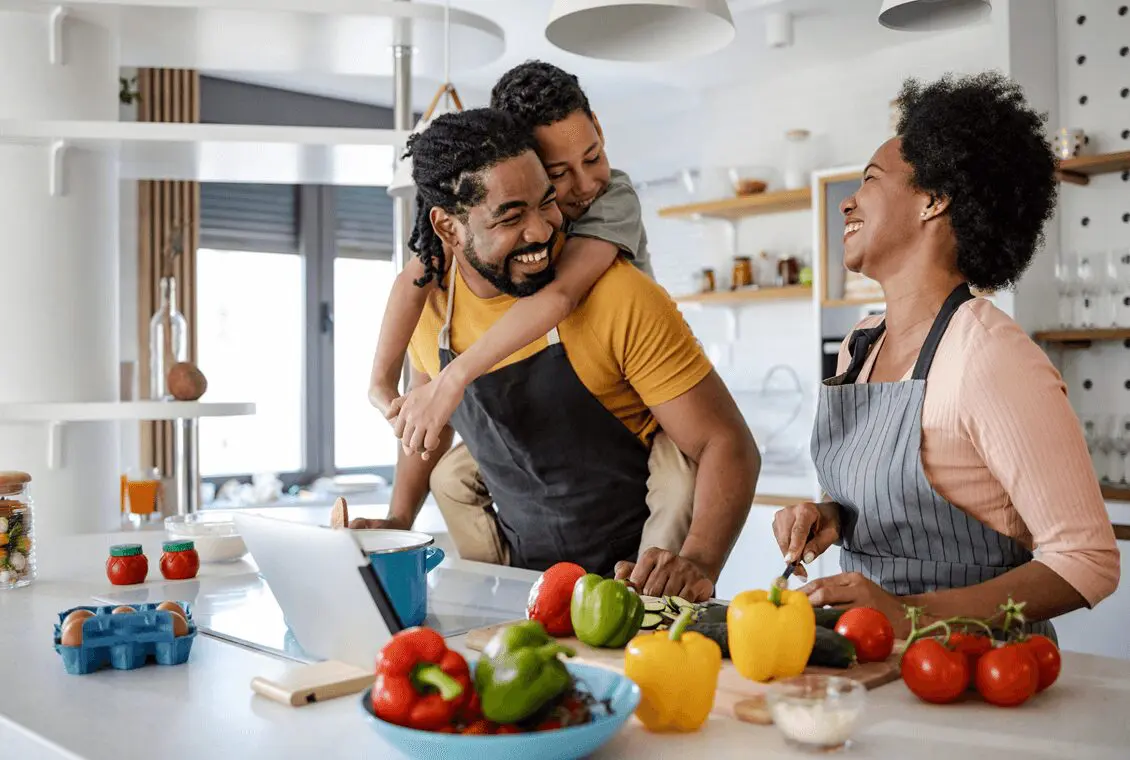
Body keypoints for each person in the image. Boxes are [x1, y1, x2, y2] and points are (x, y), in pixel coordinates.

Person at [353, 108, 759, 601]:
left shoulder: (619, 296)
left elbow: (728, 444)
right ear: (448, 228)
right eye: (510, 216)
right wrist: (398, 520)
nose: (542, 232)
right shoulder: (429, 303)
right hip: (524, 584)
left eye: (546, 203)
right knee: (450, 477)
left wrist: (697, 561)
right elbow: (426, 423)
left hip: (636, 581)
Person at [773, 73, 1120, 638]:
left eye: (869, 181)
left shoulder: (990, 356)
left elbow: (1088, 560)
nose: (848, 204)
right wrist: (830, 516)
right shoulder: (859, 347)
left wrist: (913, 615)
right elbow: (894, 502)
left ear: (934, 202)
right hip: (868, 661)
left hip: (978, 670)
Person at [368, 61, 697, 564]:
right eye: (558, 174)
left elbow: (560, 298)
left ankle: (655, 589)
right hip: (541, 451)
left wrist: (453, 380)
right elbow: (417, 270)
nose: (584, 185)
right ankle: (497, 584)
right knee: (450, 478)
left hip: (646, 414)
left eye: (593, 157)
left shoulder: (612, 201)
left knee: (678, 486)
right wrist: (380, 384)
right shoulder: (454, 263)